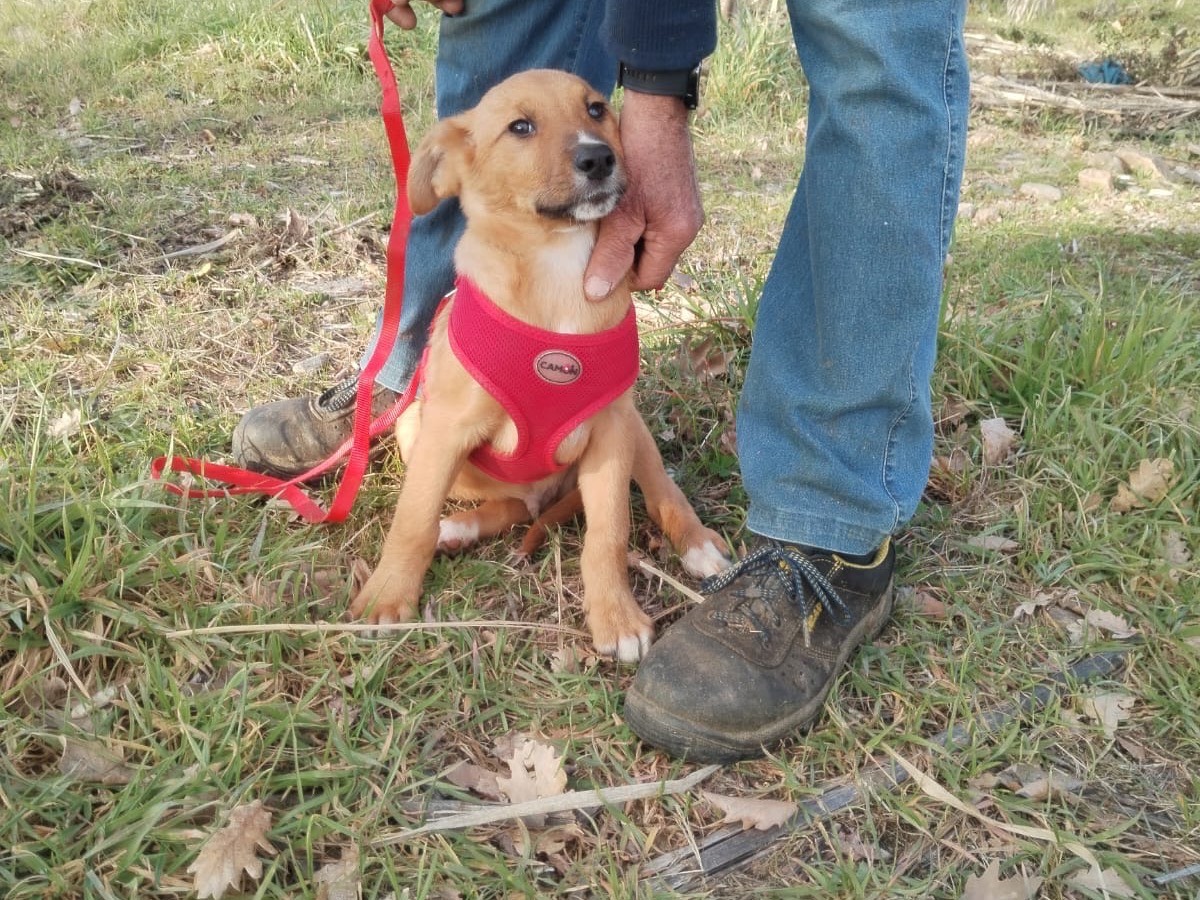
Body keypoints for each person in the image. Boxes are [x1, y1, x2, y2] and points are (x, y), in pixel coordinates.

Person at [233, 0, 968, 763]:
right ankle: (406, 395)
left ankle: (829, 522)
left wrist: (655, 87)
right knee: (504, 14)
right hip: (489, 402)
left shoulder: (605, 292)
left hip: (585, 404)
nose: (586, 143)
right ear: (452, 164)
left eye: (595, 112)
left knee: (875, 38)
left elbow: (610, 425)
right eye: (524, 128)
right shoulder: (467, 203)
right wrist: (402, 560)